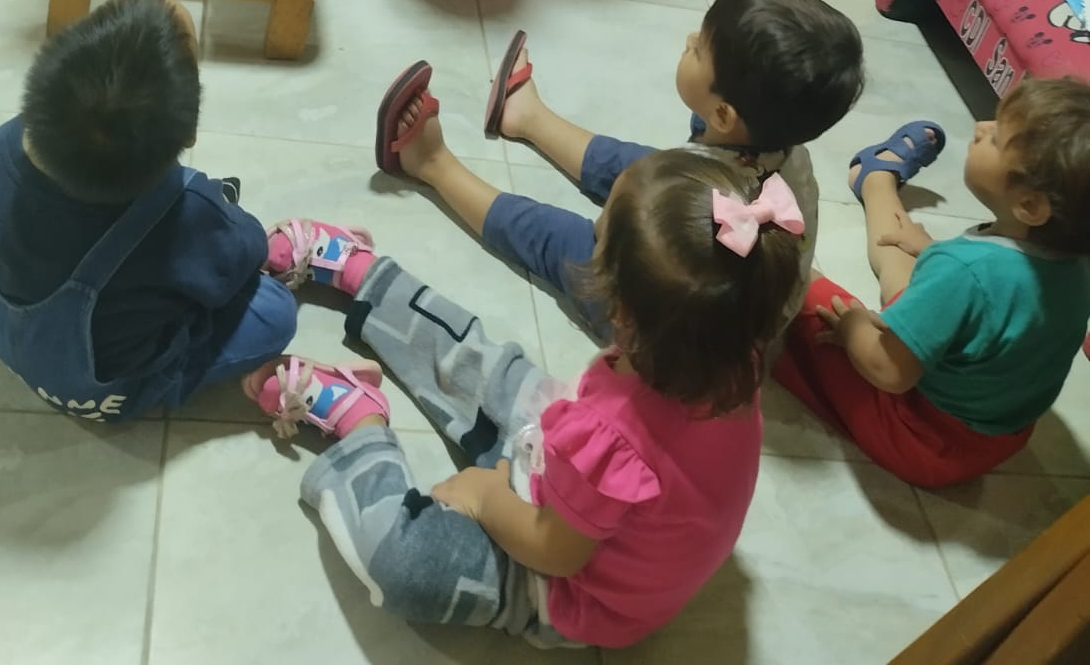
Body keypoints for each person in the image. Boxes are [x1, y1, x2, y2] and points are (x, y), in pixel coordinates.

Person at [241, 81, 804, 649]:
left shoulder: (614, 435)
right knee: (496, 372)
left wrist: (486, 497)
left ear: (621, 312)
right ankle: (362, 272)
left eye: (597, 235)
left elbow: (554, 552)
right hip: (578, 486)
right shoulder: (726, 340)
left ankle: (359, 420)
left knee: (406, 568)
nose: (589, 237)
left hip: (567, 589)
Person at [374, 0, 864, 340]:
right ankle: (527, 117)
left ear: (723, 113)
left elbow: (611, 234)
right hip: (728, 292)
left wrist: (630, 205)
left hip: (655, 329)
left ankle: (431, 162)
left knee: (560, 238)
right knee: (637, 165)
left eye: (699, 48)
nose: (688, 39)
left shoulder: (694, 188)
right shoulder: (780, 147)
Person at [0, 0, 303, 422]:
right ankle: (160, 386)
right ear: (187, 133)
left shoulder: (6, 142)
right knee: (274, 312)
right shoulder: (190, 207)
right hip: (102, 388)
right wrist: (226, 218)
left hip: (0, 319)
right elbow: (250, 251)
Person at [774, 77, 1090, 489]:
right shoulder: (1076, 260)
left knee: (794, 279)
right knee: (913, 258)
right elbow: (999, 296)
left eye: (997, 138)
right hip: (995, 440)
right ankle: (875, 179)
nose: (981, 127)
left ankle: (872, 185)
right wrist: (935, 255)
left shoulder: (961, 272)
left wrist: (852, 329)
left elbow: (888, 370)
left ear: (1030, 205)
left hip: (918, 437)